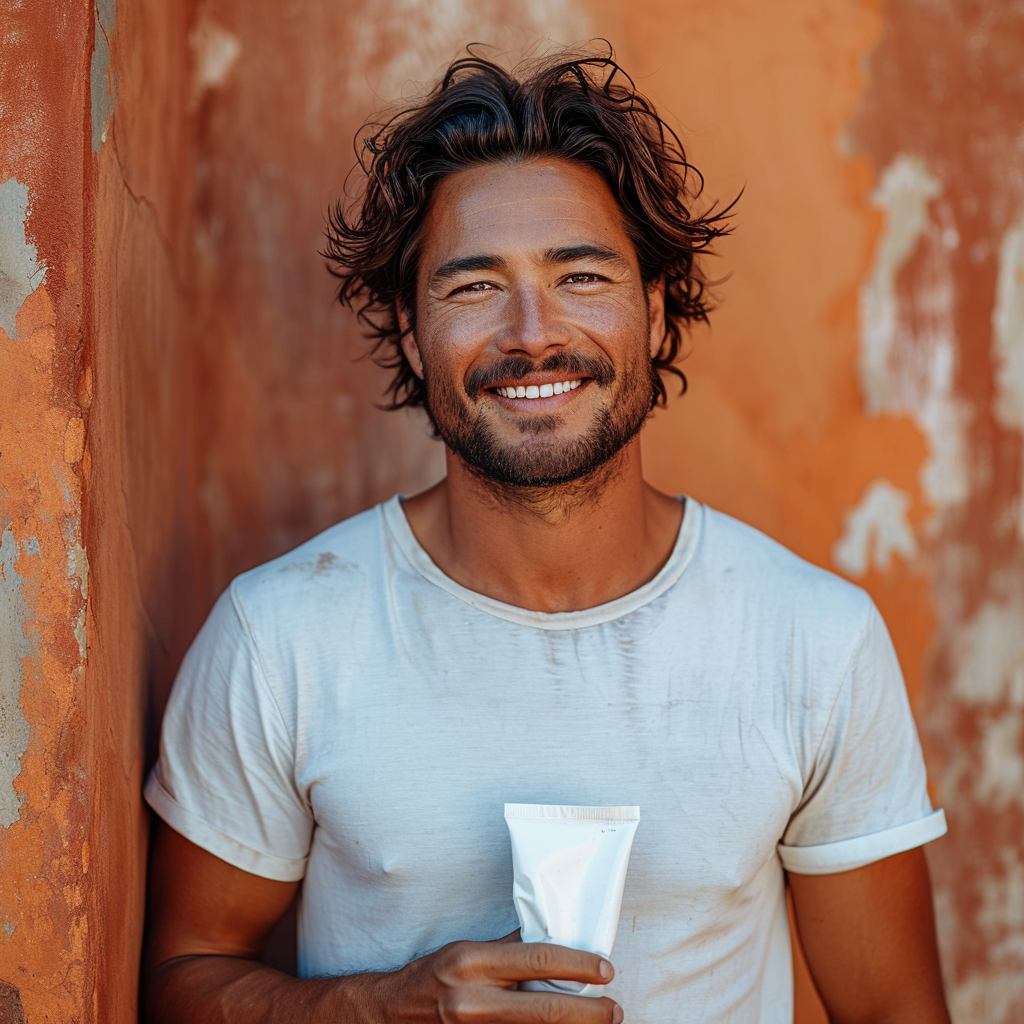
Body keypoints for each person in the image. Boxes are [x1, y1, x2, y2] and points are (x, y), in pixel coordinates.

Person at [142, 49, 952, 1024]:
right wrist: (382, 1007)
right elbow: (181, 977)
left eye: (580, 274)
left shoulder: (811, 641)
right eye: (473, 287)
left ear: (653, 312)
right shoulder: (283, 637)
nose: (532, 332)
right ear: (408, 330)